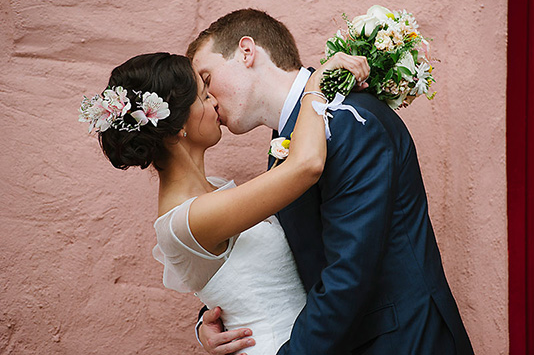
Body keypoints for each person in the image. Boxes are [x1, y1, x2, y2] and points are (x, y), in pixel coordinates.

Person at [188, 9, 474, 355]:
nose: (208, 98)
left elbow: (349, 273)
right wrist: (216, 316)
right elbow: (283, 253)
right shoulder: (290, 136)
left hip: (403, 341)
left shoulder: (349, 120)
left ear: (246, 52)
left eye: (206, 78)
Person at [83, 51, 369, 355]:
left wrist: (203, 324)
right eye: (204, 96)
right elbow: (307, 165)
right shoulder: (190, 219)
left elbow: (238, 277)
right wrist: (315, 83)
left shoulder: (212, 194)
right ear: (176, 126)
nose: (215, 102)